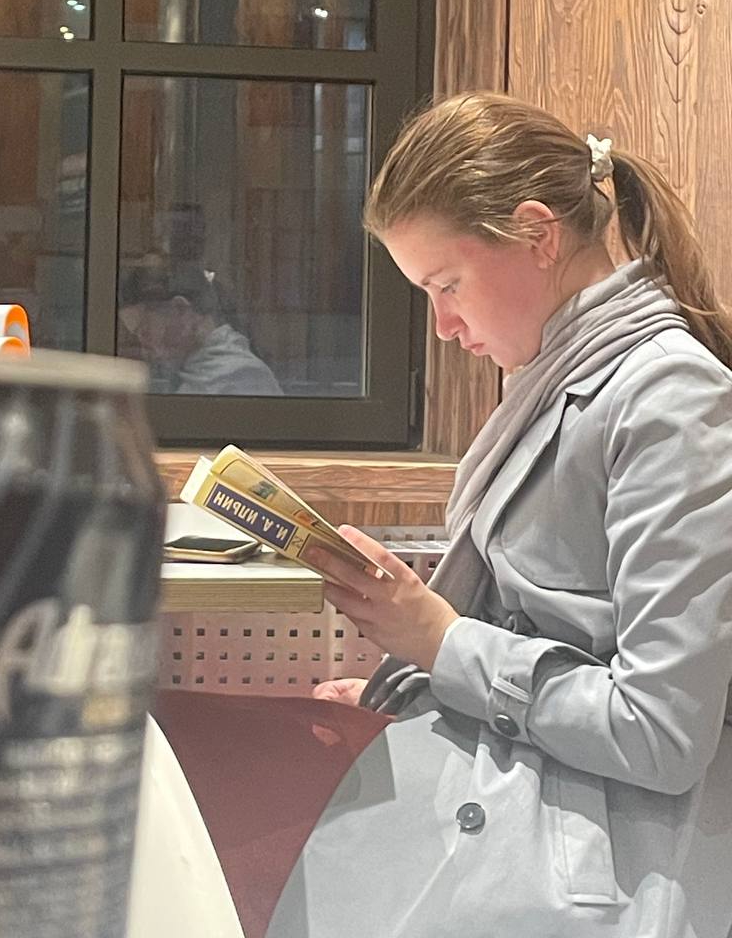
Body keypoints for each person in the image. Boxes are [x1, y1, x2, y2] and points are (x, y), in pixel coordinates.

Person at [267, 92, 732, 937]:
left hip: (595, 871)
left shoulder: (669, 398)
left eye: (447, 285)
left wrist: (439, 643)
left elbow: (660, 733)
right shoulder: (559, 379)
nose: (444, 326)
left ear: (537, 234)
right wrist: (417, 682)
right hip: (530, 813)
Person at [118, 256, 282, 396]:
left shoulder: (243, 378)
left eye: (145, 330)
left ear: (180, 309)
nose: (143, 346)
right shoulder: (187, 372)